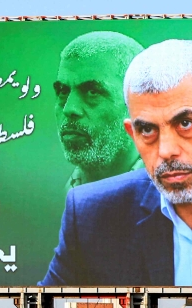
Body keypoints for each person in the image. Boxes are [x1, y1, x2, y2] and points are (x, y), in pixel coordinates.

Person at [41, 39, 192, 287]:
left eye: (185, 124)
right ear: (132, 133)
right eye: (148, 130)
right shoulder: (92, 216)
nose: (166, 151)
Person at [54, 31, 145, 191]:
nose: (69, 109)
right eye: (63, 91)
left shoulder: (176, 200)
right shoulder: (54, 198)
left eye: (92, 92)